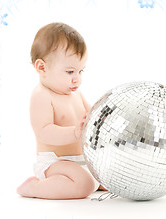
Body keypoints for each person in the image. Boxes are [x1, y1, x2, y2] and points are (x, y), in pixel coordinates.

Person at [17, 22, 104, 200]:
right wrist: (74, 132)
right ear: (42, 68)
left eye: (81, 71)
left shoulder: (76, 93)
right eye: (70, 71)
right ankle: (34, 187)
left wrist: (102, 117)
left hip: (82, 159)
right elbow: (44, 133)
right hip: (55, 162)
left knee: (110, 176)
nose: (77, 79)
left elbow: (92, 115)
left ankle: (94, 181)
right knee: (83, 184)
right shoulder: (42, 95)